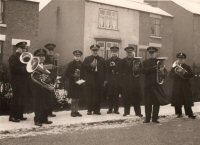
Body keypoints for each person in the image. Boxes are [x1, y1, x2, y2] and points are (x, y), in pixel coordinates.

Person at [142, 47, 169, 123]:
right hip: (148, 85)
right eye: (150, 53)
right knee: (148, 103)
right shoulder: (145, 62)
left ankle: (155, 118)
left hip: (157, 85)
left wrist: (162, 71)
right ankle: (147, 118)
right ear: (148, 53)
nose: (151, 54)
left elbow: (165, 73)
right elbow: (143, 71)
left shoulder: (159, 62)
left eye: (153, 53)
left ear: (156, 53)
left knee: (156, 103)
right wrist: (153, 68)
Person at [8, 41, 32, 122]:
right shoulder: (13, 57)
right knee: (16, 98)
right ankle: (12, 116)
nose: (24, 50)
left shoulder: (25, 57)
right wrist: (25, 69)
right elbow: (13, 69)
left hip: (24, 81)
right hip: (16, 81)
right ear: (17, 49)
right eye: (22, 48)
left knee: (22, 98)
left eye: (25, 48)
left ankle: (19, 115)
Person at [170, 53, 196, 119]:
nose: (181, 60)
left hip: (185, 86)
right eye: (179, 58)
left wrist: (184, 72)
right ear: (177, 59)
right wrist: (176, 73)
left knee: (187, 100)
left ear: (184, 60)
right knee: (177, 100)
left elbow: (191, 75)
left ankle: (190, 114)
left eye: (182, 59)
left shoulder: (187, 67)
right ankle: (178, 113)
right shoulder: (174, 67)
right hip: (177, 86)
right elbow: (170, 75)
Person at [32, 48, 53, 126]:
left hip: (45, 88)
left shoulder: (46, 65)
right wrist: (41, 79)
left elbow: (51, 75)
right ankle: (37, 120)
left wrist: (49, 79)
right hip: (37, 88)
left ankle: (44, 119)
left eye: (43, 56)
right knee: (38, 104)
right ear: (36, 57)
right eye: (39, 56)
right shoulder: (33, 65)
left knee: (46, 103)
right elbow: (32, 76)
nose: (42, 57)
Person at [83, 44, 106, 115]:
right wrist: (90, 65)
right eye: (93, 50)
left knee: (98, 95)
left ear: (98, 51)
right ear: (91, 51)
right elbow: (83, 68)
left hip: (99, 80)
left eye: (96, 50)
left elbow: (105, 70)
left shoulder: (102, 59)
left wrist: (104, 80)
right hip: (90, 80)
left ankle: (97, 110)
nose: (95, 52)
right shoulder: (87, 59)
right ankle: (89, 110)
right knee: (90, 95)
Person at [121, 46, 143, 117]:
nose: (129, 54)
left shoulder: (137, 61)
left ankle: (138, 113)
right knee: (126, 97)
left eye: (130, 52)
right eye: (128, 53)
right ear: (126, 53)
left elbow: (141, 70)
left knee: (136, 98)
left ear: (132, 53)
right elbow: (120, 71)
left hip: (135, 82)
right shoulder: (123, 61)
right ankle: (126, 112)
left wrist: (137, 70)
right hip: (126, 82)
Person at [63, 50, 84, 117]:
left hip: (79, 83)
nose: (77, 57)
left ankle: (77, 111)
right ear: (74, 56)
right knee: (74, 98)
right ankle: (72, 111)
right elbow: (67, 74)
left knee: (78, 98)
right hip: (73, 83)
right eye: (76, 56)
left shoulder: (82, 64)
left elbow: (84, 73)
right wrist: (73, 75)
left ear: (80, 57)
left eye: (79, 56)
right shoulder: (71, 64)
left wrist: (82, 78)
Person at [105, 46, 121, 114]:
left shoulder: (120, 61)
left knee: (116, 95)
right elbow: (106, 71)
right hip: (110, 81)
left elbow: (122, 71)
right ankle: (110, 109)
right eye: (113, 52)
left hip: (117, 81)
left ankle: (116, 109)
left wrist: (115, 67)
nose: (114, 53)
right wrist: (106, 80)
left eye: (115, 52)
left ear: (117, 52)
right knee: (110, 95)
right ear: (111, 52)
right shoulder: (107, 61)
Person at [44, 43, 57, 117]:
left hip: (52, 79)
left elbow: (55, 69)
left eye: (52, 50)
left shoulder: (54, 59)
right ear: (47, 50)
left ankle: (50, 111)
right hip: (46, 80)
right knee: (46, 97)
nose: (51, 52)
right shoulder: (44, 58)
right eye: (49, 50)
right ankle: (46, 112)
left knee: (51, 97)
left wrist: (54, 78)